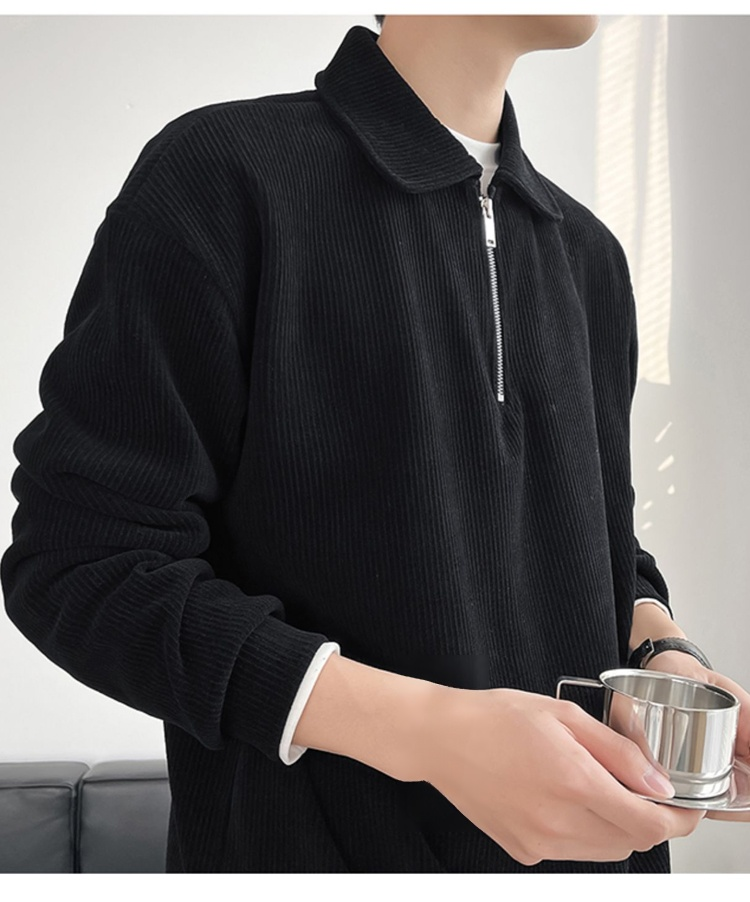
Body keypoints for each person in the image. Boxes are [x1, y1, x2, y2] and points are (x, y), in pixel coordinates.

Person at [2, 15, 748, 874]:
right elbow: (83, 561)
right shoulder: (224, 176)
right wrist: (433, 734)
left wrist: (661, 651)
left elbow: (602, 549)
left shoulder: (590, 257)